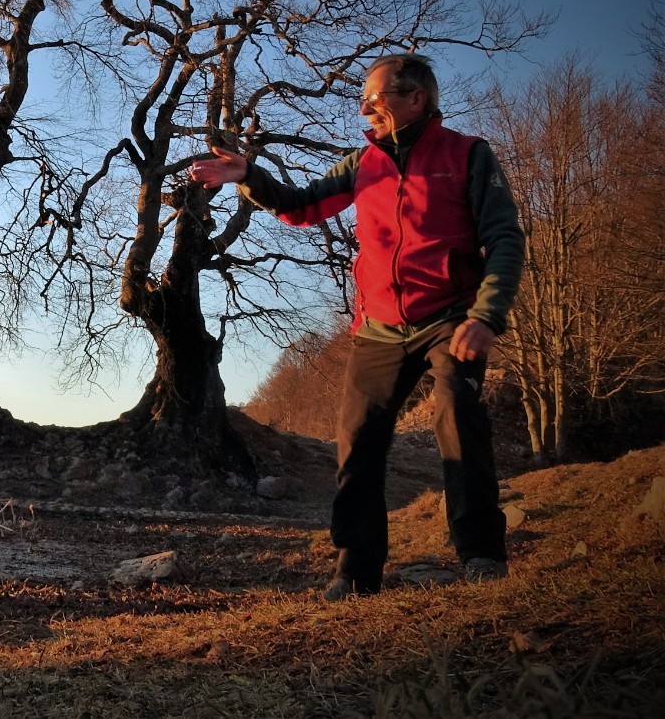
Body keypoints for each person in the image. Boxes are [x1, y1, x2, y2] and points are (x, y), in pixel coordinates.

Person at [190, 53, 523, 601]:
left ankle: (481, 553)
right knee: (358, 442)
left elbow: (504, 239)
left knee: (458, 417)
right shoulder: (362, 163)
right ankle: (356, 569)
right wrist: (248, 175)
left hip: (451, 317)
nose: (364, 105)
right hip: (379, 327)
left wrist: (487, 315)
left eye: (375, 96)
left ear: (414, 99)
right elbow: (302, 207)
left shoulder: (467, 155)